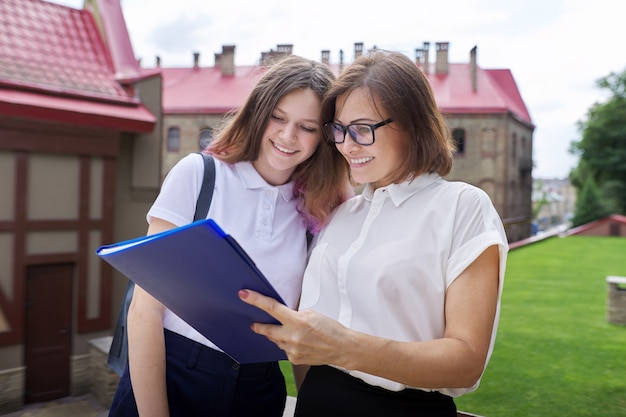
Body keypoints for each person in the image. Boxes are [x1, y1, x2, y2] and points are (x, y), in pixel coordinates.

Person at [239, 49, 509, 417]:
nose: (347, 145)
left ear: (413, 124)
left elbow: (466, 361)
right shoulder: (340, 214)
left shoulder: (462, 206)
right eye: (339, 129)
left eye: (363, 129)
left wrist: (342, 347)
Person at [108, 55, 351, 417]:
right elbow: (145, 309)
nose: (288, 136)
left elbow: (304, 323)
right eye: (278, 118)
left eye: (307, 127)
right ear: (258, 112)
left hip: (258, 387)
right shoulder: (199, 174)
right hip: (171, 374)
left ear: (324, 137)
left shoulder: (318, 209)